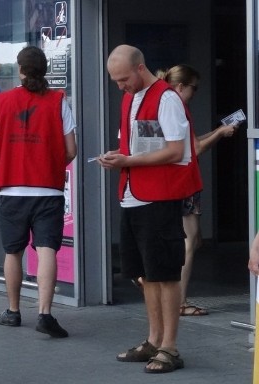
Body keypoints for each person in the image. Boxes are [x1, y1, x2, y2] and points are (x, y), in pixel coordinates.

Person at [98, 45, 202, 373]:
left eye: (123, 79)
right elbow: (142, 145)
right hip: (134, 194)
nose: (120, 86)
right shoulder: (132, 98)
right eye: (115, 81)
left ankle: (169, 347)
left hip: (158, 198)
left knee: (165, 274)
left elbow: (174, 151)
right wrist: (119, 155)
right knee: (146, 275)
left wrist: (127, 160)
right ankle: (154, 339)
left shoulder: (167, 98)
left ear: (140, 68)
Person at [0, 45, 77, 338]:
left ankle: (12, 310)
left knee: (13, 251)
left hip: (12, 189)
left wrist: (8, 163)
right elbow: (70, 149)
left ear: (20, 70)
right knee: (47, 248)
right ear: (44, 69)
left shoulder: (2, 102)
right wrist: (47, 164)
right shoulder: (59, 101)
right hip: (48, 190)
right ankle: (45, 313)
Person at [156, 64, 237, 316]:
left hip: (175, 182)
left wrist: (218, 131)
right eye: (194, 88)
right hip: (184, 182)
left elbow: (193, 143)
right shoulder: (178, 109)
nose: (195, 93)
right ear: (180, 87)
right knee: (189, 242)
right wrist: (221, 133)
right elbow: (196, 149)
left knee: (194, 239)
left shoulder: (167, 105)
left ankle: (162, 289)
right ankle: (179, 301)